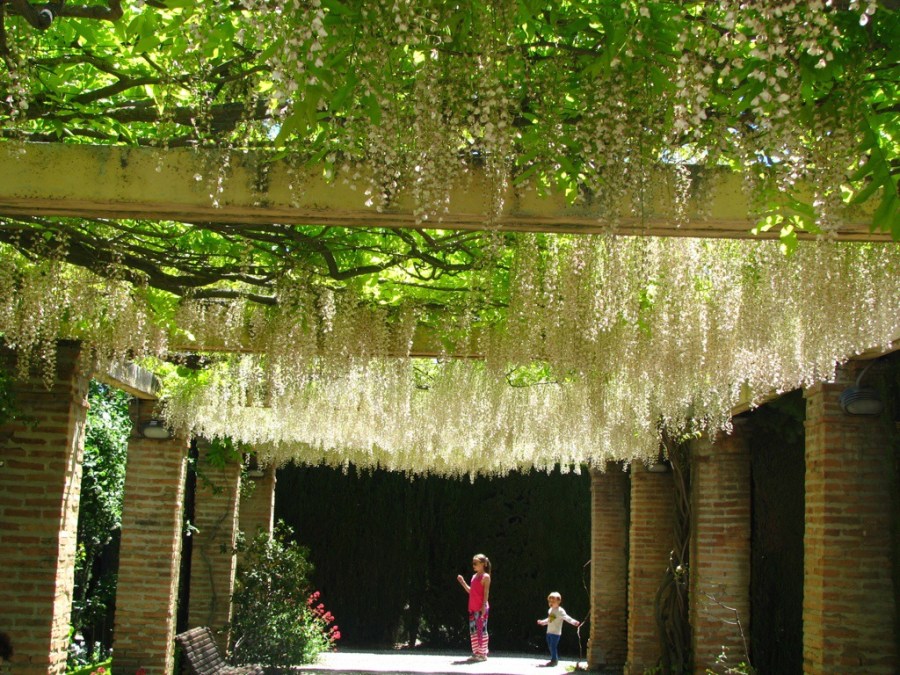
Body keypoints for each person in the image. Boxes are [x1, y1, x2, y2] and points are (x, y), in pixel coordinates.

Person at [456, 553, 491, 661]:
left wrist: (483, 606)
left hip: (481, 608)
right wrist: (462, 582)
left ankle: (483, 653)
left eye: (476, 563)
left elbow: (486, 593)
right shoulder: (474, 576)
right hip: (472, 608)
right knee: (473, 631)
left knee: (481, 630)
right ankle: (476, 652)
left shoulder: (486, 577)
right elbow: (471, 591)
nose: (473, 565)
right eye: (473, 563)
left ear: (483, 564)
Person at [536, 591, 580, 667]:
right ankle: (554, 659)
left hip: (556, 633)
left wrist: (574, 622)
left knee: (553, 646)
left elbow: (567, 618)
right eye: (549, 601)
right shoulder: (551, 610)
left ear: (559, 601)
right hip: (549, 632)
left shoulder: (560, 611)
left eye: (553, 601)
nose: (551, 603)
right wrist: (542, 622)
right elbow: (550, 619)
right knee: (550, 646)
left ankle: (554, 660)